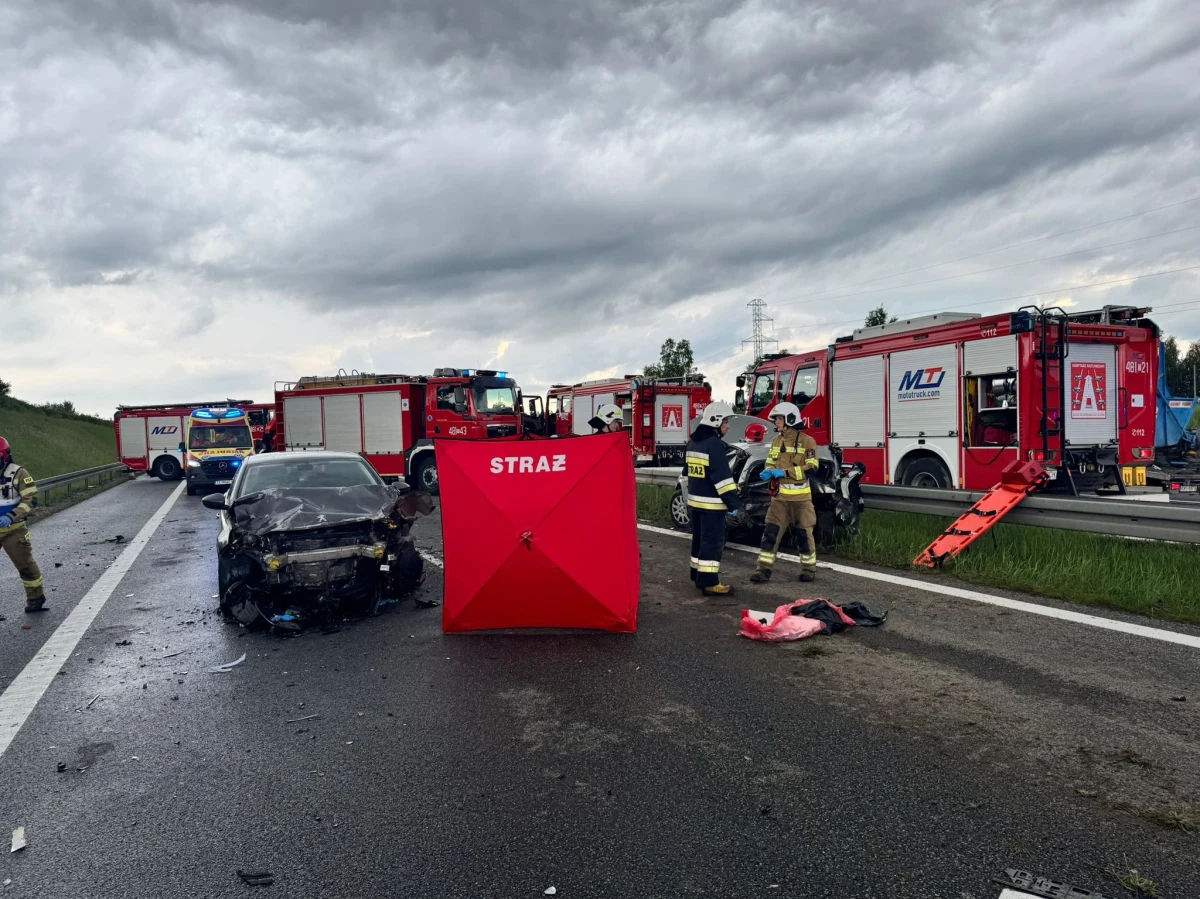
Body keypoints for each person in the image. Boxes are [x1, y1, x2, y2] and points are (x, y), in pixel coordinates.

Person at [750, 402, 821, 584]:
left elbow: (812, 468)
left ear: (790, 419)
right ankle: (763, 570)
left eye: (779, 418)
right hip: (779, 499)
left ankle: (808, 569)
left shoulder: (807, 441)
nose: (776, 422)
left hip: (801, 499)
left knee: (804, 535)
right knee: (770, 534)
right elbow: (771, 462)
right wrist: (768, 471)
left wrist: (785, 473)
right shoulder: (776, 441)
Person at [685, 402, 745, 596]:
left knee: (699, 541)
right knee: (712, 543)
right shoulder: (715, 444)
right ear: (716, 421)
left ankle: (697, 575)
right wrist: (734, 504)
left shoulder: (693, 442)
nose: (728, 426)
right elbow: (722, 480)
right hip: (712, 506)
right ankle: (710, 582)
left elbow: (688, 473)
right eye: (726, 421)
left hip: (695, 504)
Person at [0, 437, 46, 613]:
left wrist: (11, 516)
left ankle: (36, 598)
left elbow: (30, 500)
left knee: (25, 566)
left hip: (14, 530)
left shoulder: (19, 473)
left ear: (4, 457)